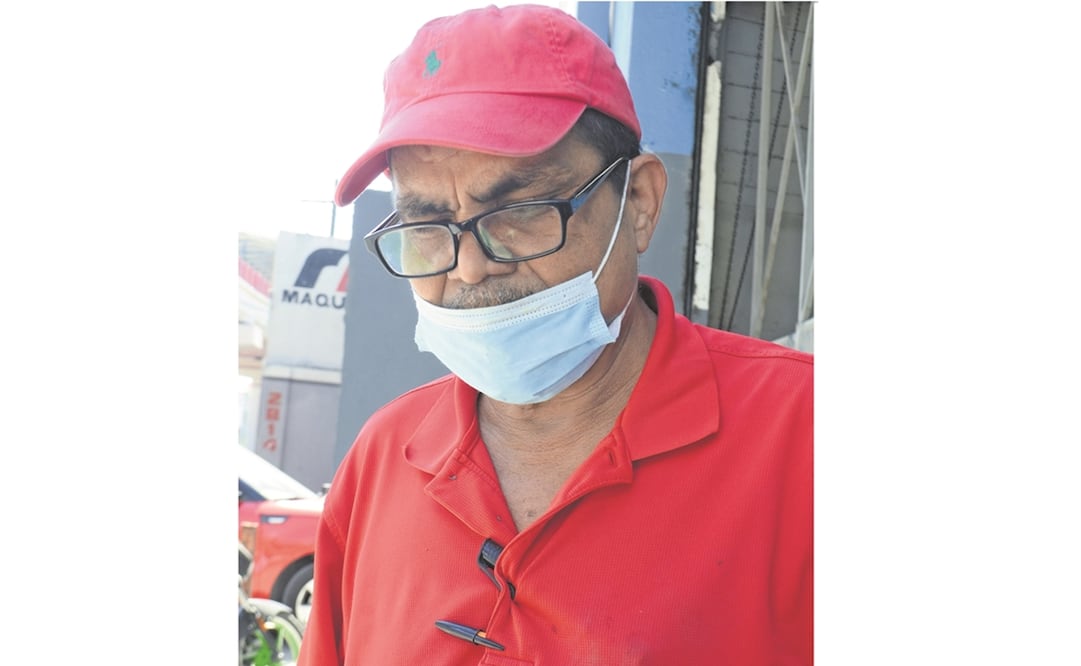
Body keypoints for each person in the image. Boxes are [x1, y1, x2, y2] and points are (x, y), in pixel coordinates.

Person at [298, 4, 812, 664]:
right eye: (426, 227)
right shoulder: (380, 460)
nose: (473, 266)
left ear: (639, 205)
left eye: (518, 212)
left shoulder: (803, 437)